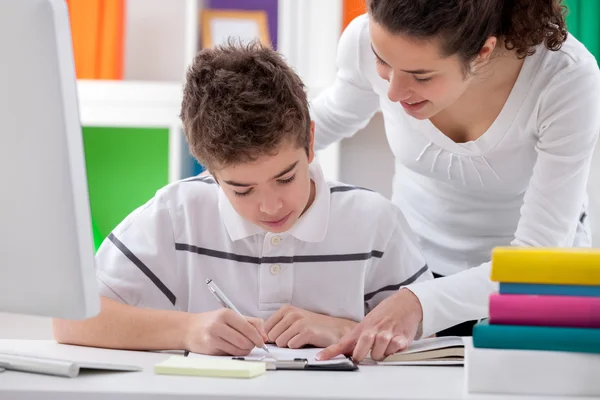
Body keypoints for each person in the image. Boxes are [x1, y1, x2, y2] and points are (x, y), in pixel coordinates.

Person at [52, 41, 431, 356]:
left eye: (285, 178)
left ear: (311, 141)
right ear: (209, 170)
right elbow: (69, 319)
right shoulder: (176, 214)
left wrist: (344, 331)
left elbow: (433, 341)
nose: (270, 206)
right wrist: (187, 330)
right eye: (241, 189)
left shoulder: (374, 223)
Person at [314, 0, 600, 363]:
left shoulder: (565, 79)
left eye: (421, 76)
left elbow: (536, 255)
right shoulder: (365, 38)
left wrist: (419, 302)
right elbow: (327, 119)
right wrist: (231, 169)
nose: (393, 91)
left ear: (483, 52)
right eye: (382, 61)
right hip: (412, 270)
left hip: (528, 290)